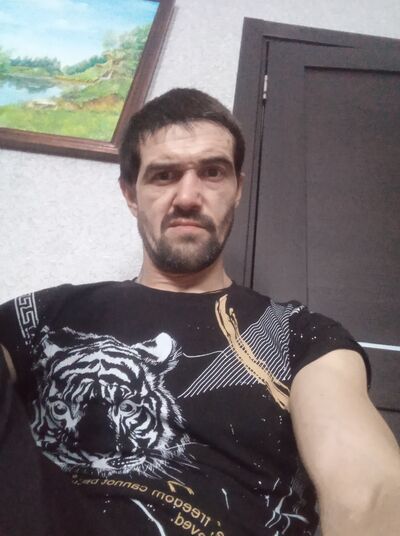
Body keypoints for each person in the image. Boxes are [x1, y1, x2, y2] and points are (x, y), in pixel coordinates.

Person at [0, 88, 399, 536]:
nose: (188, 197)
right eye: (164, 175)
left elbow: (370, 492)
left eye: (212, 172)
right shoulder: (49, 316)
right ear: (131, 195)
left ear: (237, 189)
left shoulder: (298, 336)